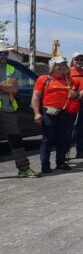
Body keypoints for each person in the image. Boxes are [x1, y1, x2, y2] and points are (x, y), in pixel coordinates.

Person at [32, 56, 83, 173]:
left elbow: (80, 94)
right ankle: (45, 164)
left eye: (64, 65)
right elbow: (36, 96)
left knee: (63, 138)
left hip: (65, 112)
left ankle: (61, 162)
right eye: (58, 65)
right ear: (52, 66)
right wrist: (36, 113)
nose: (61, 67)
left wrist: (75, 95)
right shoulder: (43, 79)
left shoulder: (71, 80)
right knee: (48, 139)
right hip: (48, 112)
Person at [0, 43, 39, 177]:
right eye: (1, 54)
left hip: (7, 109)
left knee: (15, 138)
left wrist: (4, 87)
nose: (4, 56)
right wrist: (5, 86)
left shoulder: (10, 68)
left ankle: (23, 168)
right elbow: (9, 87)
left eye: (5, 53)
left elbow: (14, 89)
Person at [69, 51, 83, 159]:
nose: (79, 61)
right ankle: (65, 153)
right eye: (77, 59)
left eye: (82, 59)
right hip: (71, 103)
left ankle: (81, 151)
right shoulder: (67, 73)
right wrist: (79, 94)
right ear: (72, 61)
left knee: (82, 129)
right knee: (69, 129)